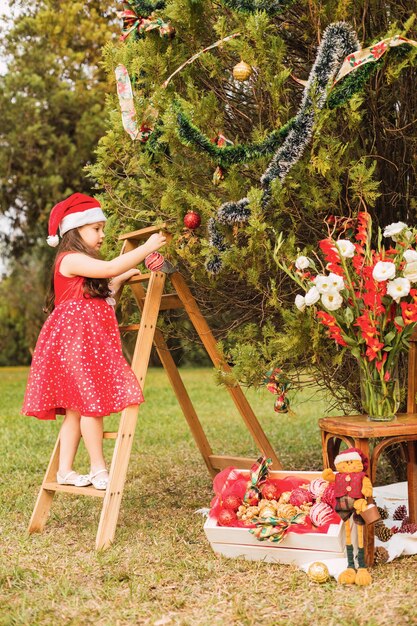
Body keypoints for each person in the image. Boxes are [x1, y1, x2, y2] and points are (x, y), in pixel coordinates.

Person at [22, 193, 166, 490]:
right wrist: (148, 248)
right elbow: (109, 268)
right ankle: (99, 469)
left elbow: (101, 293)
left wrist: (121, 279)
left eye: (102, 228)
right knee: (90, 407)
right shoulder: (70, 259)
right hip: (74, 346)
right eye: (96, 229)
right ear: (75, 231)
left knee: (77, 410)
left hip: (83, 346)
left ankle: (64, 471)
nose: (102, 235)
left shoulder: (83, 265)